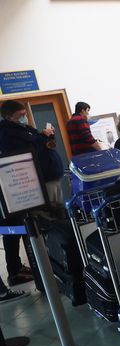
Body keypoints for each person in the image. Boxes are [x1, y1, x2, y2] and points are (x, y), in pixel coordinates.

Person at [0, 100, 64, 291]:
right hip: (22, 191)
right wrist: (40, 139)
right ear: (10, 116)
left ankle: (18, 267)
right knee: (15, 230)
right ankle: (18, 269)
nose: (25, 117)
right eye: (20, 115)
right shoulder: (7, 133)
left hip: (32, 186)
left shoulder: (23, 129)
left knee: (16, 230)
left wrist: (43, 137)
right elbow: (25, 153)